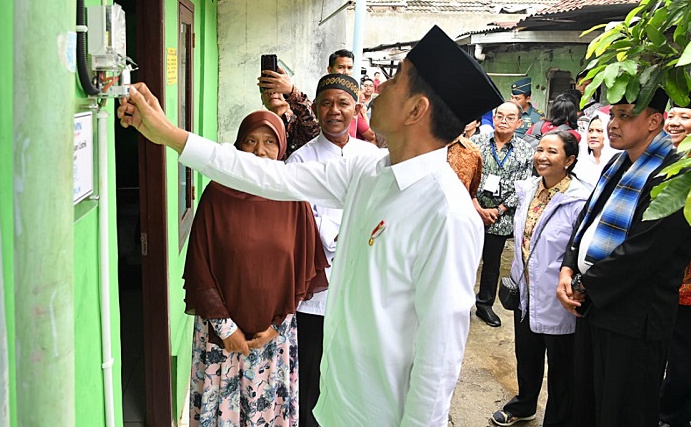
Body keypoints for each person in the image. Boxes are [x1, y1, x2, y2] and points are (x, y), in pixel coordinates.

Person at [118, 24, 505, 426]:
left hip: (382, 415)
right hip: (336, 402)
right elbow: (268, 177)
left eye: (395, 80)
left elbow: (439, 358)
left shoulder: (447, 214)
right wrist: (169, 135)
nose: (376, 89)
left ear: (416, 110)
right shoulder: (369, 171)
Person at [183, 110, 328, 427]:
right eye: (250, 141)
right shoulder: (217, 194)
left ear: (282, 148)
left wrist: (276, 327)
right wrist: (226, 329)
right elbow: (199, 267)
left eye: (269, 142)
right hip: (221, 340)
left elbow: (303, 270)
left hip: (272, 340)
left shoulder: (293, 198)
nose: (260, 151)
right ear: (238, 146)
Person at [557, 89, 691, 426]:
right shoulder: (617, 163)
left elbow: (643, 253)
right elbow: (586, 220)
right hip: (594, 304)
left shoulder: (674, 176)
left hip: (633, 318)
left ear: (654, 121)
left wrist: (582, 285)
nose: (612, 124)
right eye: (613, 115)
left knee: (623, 410)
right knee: (586, 401)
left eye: (625, 115)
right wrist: (568, 267)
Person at [286, 73, 378, 427]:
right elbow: (297, 219)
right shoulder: (301, 160)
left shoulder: (372, 158)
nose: (334, 111)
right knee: (312, 371)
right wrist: (338, 232)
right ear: (315, 108)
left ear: (356, 109)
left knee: (351, 371)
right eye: (326, 103)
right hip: (315, 290)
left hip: (359, 286)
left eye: (342, 103)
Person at [490, 131, 590, 427]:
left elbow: (580, 249)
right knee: (527, 354)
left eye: (552, 152)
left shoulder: (578, 200)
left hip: (558, 295)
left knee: (562, 366)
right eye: (540, 150)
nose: (542, 157)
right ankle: (524, 405)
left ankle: (558, 420)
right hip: (526, 290)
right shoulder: (530, 189)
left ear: (569, 160)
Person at [471, 102, 535, 327]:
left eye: (510, 117)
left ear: (519, 122)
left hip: (501, 218)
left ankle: (484, 304)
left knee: (492, 263)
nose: (503, 121)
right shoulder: (476, 144)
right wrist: (477, 206)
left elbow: (524, 187)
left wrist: (499, 210)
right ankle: (460, 302)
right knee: (465, 259)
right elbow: (465, 177)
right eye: (499, 116)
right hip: (472, 212)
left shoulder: (526, 151)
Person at [659, 102, 691, 427]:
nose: (675, 122)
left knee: (682, 353)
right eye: (672, 116)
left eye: (685, 117)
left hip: (685, 284)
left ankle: (671, 415)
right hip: (663, 278)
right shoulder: (666, 159)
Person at [258, 62, 320, 159]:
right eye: (266, 89)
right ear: (262, 99)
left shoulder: (299, 123)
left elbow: (315, 128)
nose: (271, 92)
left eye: (277, 87)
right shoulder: (258, 126)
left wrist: (291, 91)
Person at [574, 115, 615, 188]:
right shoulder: (580, 159)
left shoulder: (616, 161)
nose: (593, 135)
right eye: (590, 131)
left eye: (599, 131)